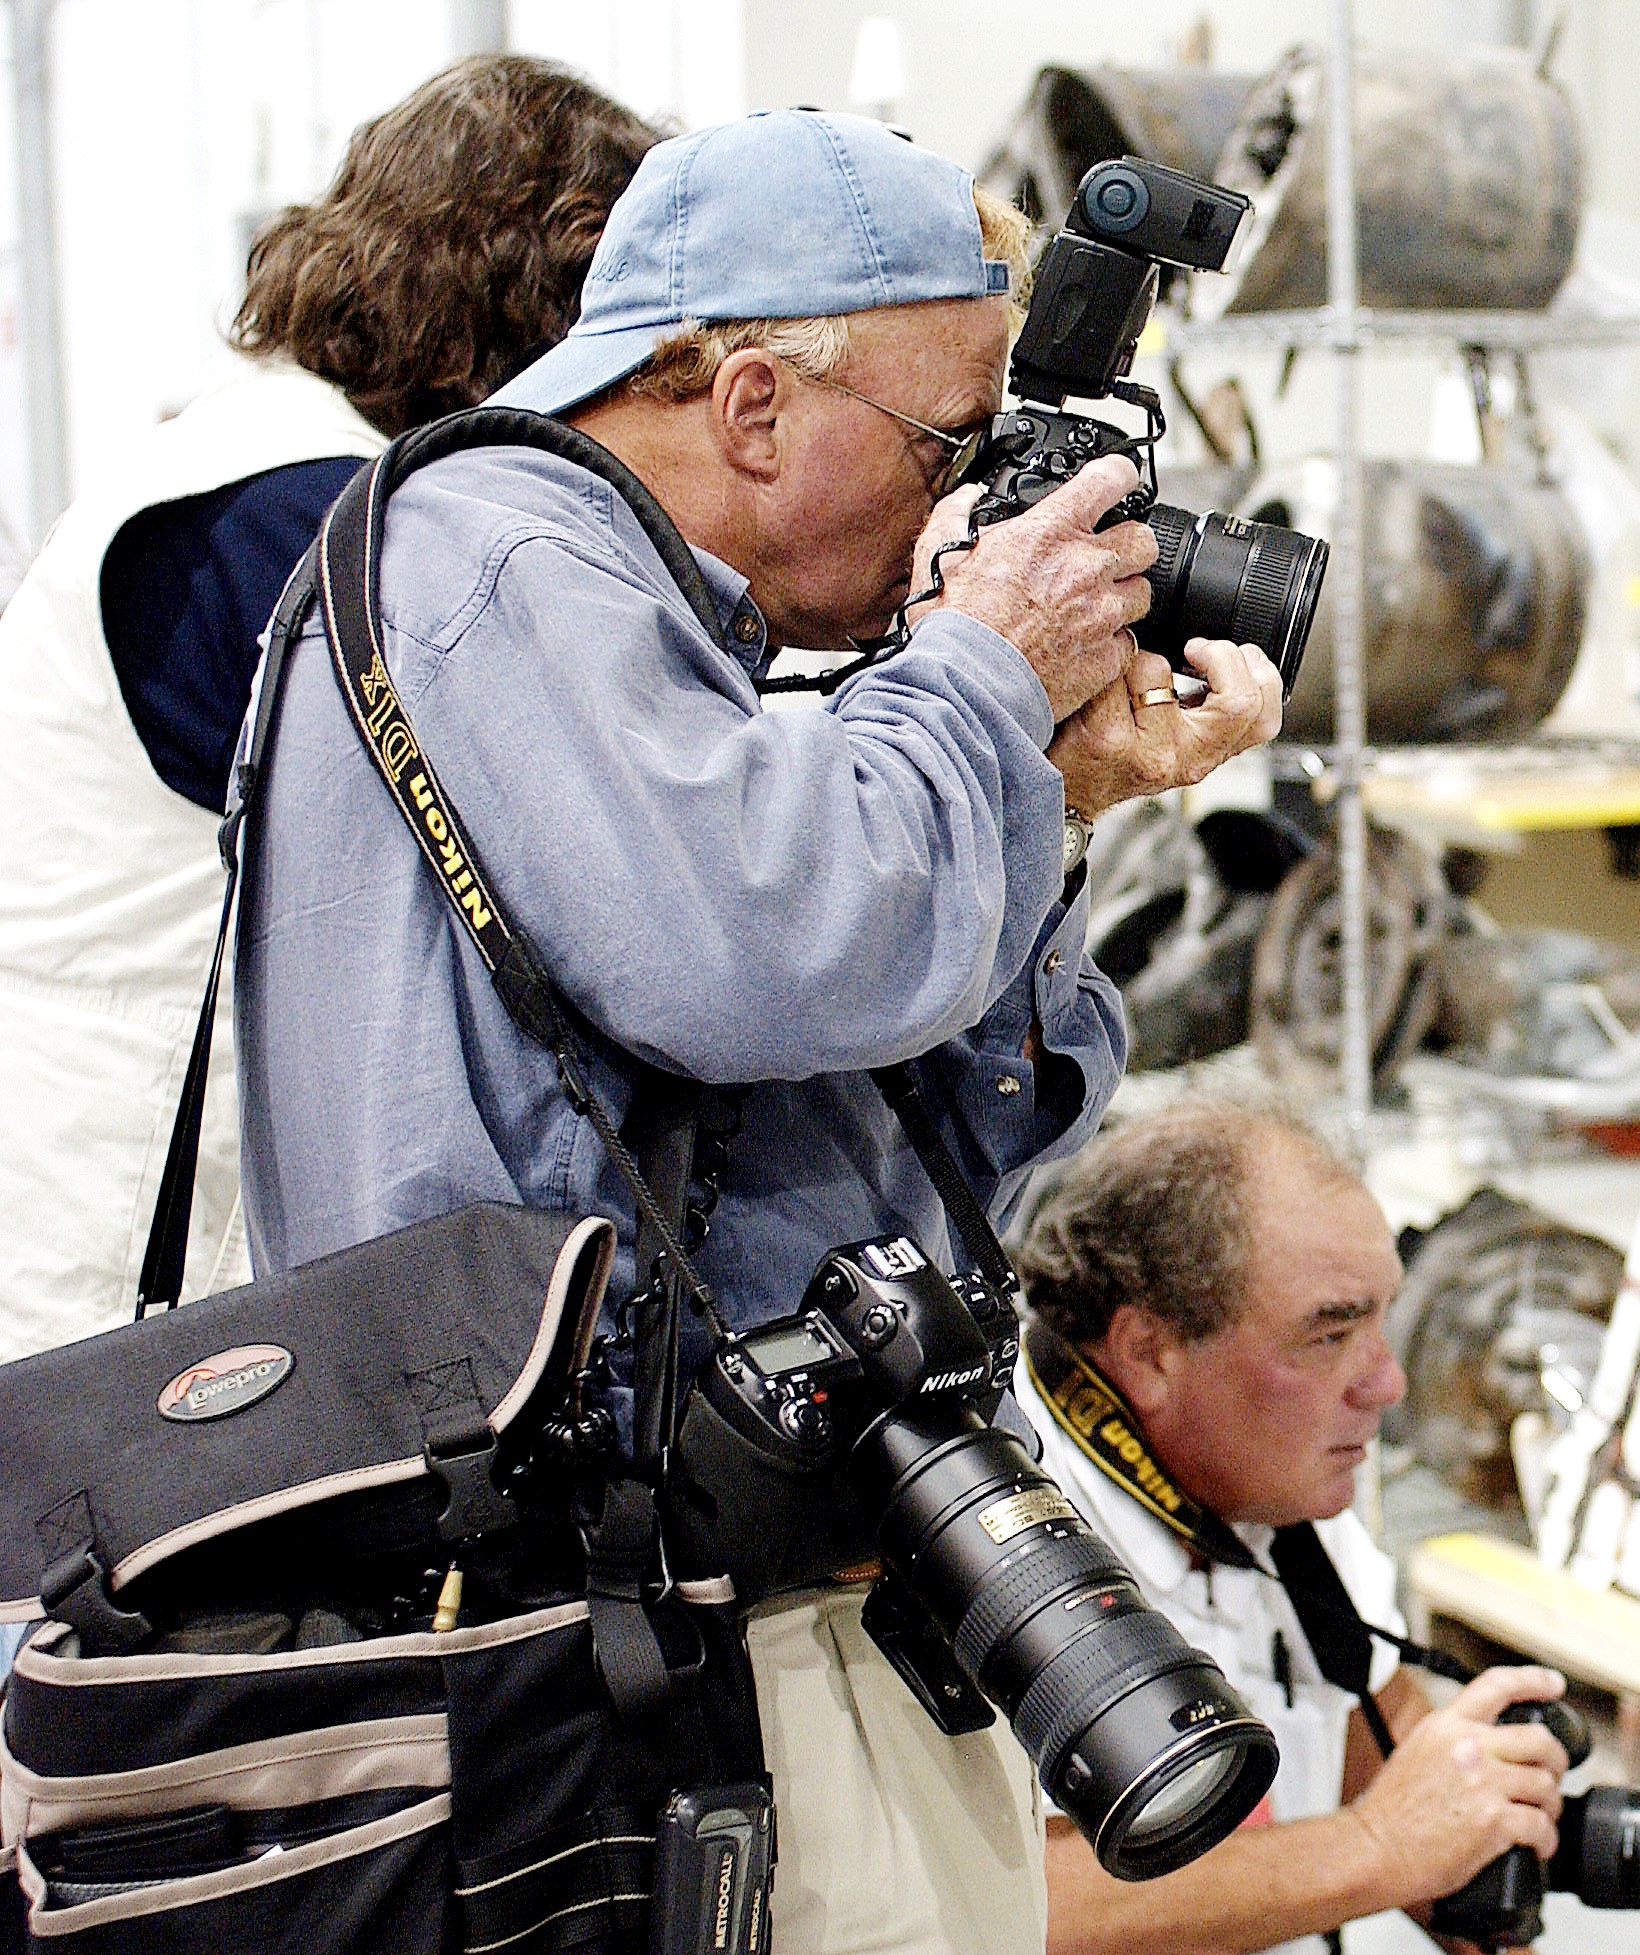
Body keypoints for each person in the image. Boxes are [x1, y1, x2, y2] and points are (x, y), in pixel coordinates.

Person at [232, 110, 1283, 1955]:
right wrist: (982, 667)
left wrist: (1062, 791)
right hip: (626, 1627)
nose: (972, 504)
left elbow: (938, 1099)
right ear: (750, 405)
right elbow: (778, 955)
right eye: (953, 441)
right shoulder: (496, 553)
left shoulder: (666, 636)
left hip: (774, 1590)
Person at [0, 54, 659, 1363]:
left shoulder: (287, 479)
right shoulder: (292, 521)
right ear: (538, 302)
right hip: (117, 1209)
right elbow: (568, 839)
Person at [1013, 1101, 1571, 1955]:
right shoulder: (992, 1530)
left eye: (1383, 1319)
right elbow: (1025, 1903)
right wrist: (1377, 1846)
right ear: (1151, 1351)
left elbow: (1388, 1750)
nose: (1387, 1382)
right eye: (1331, 1332)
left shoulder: (1272, 1487)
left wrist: (1477, 1828)